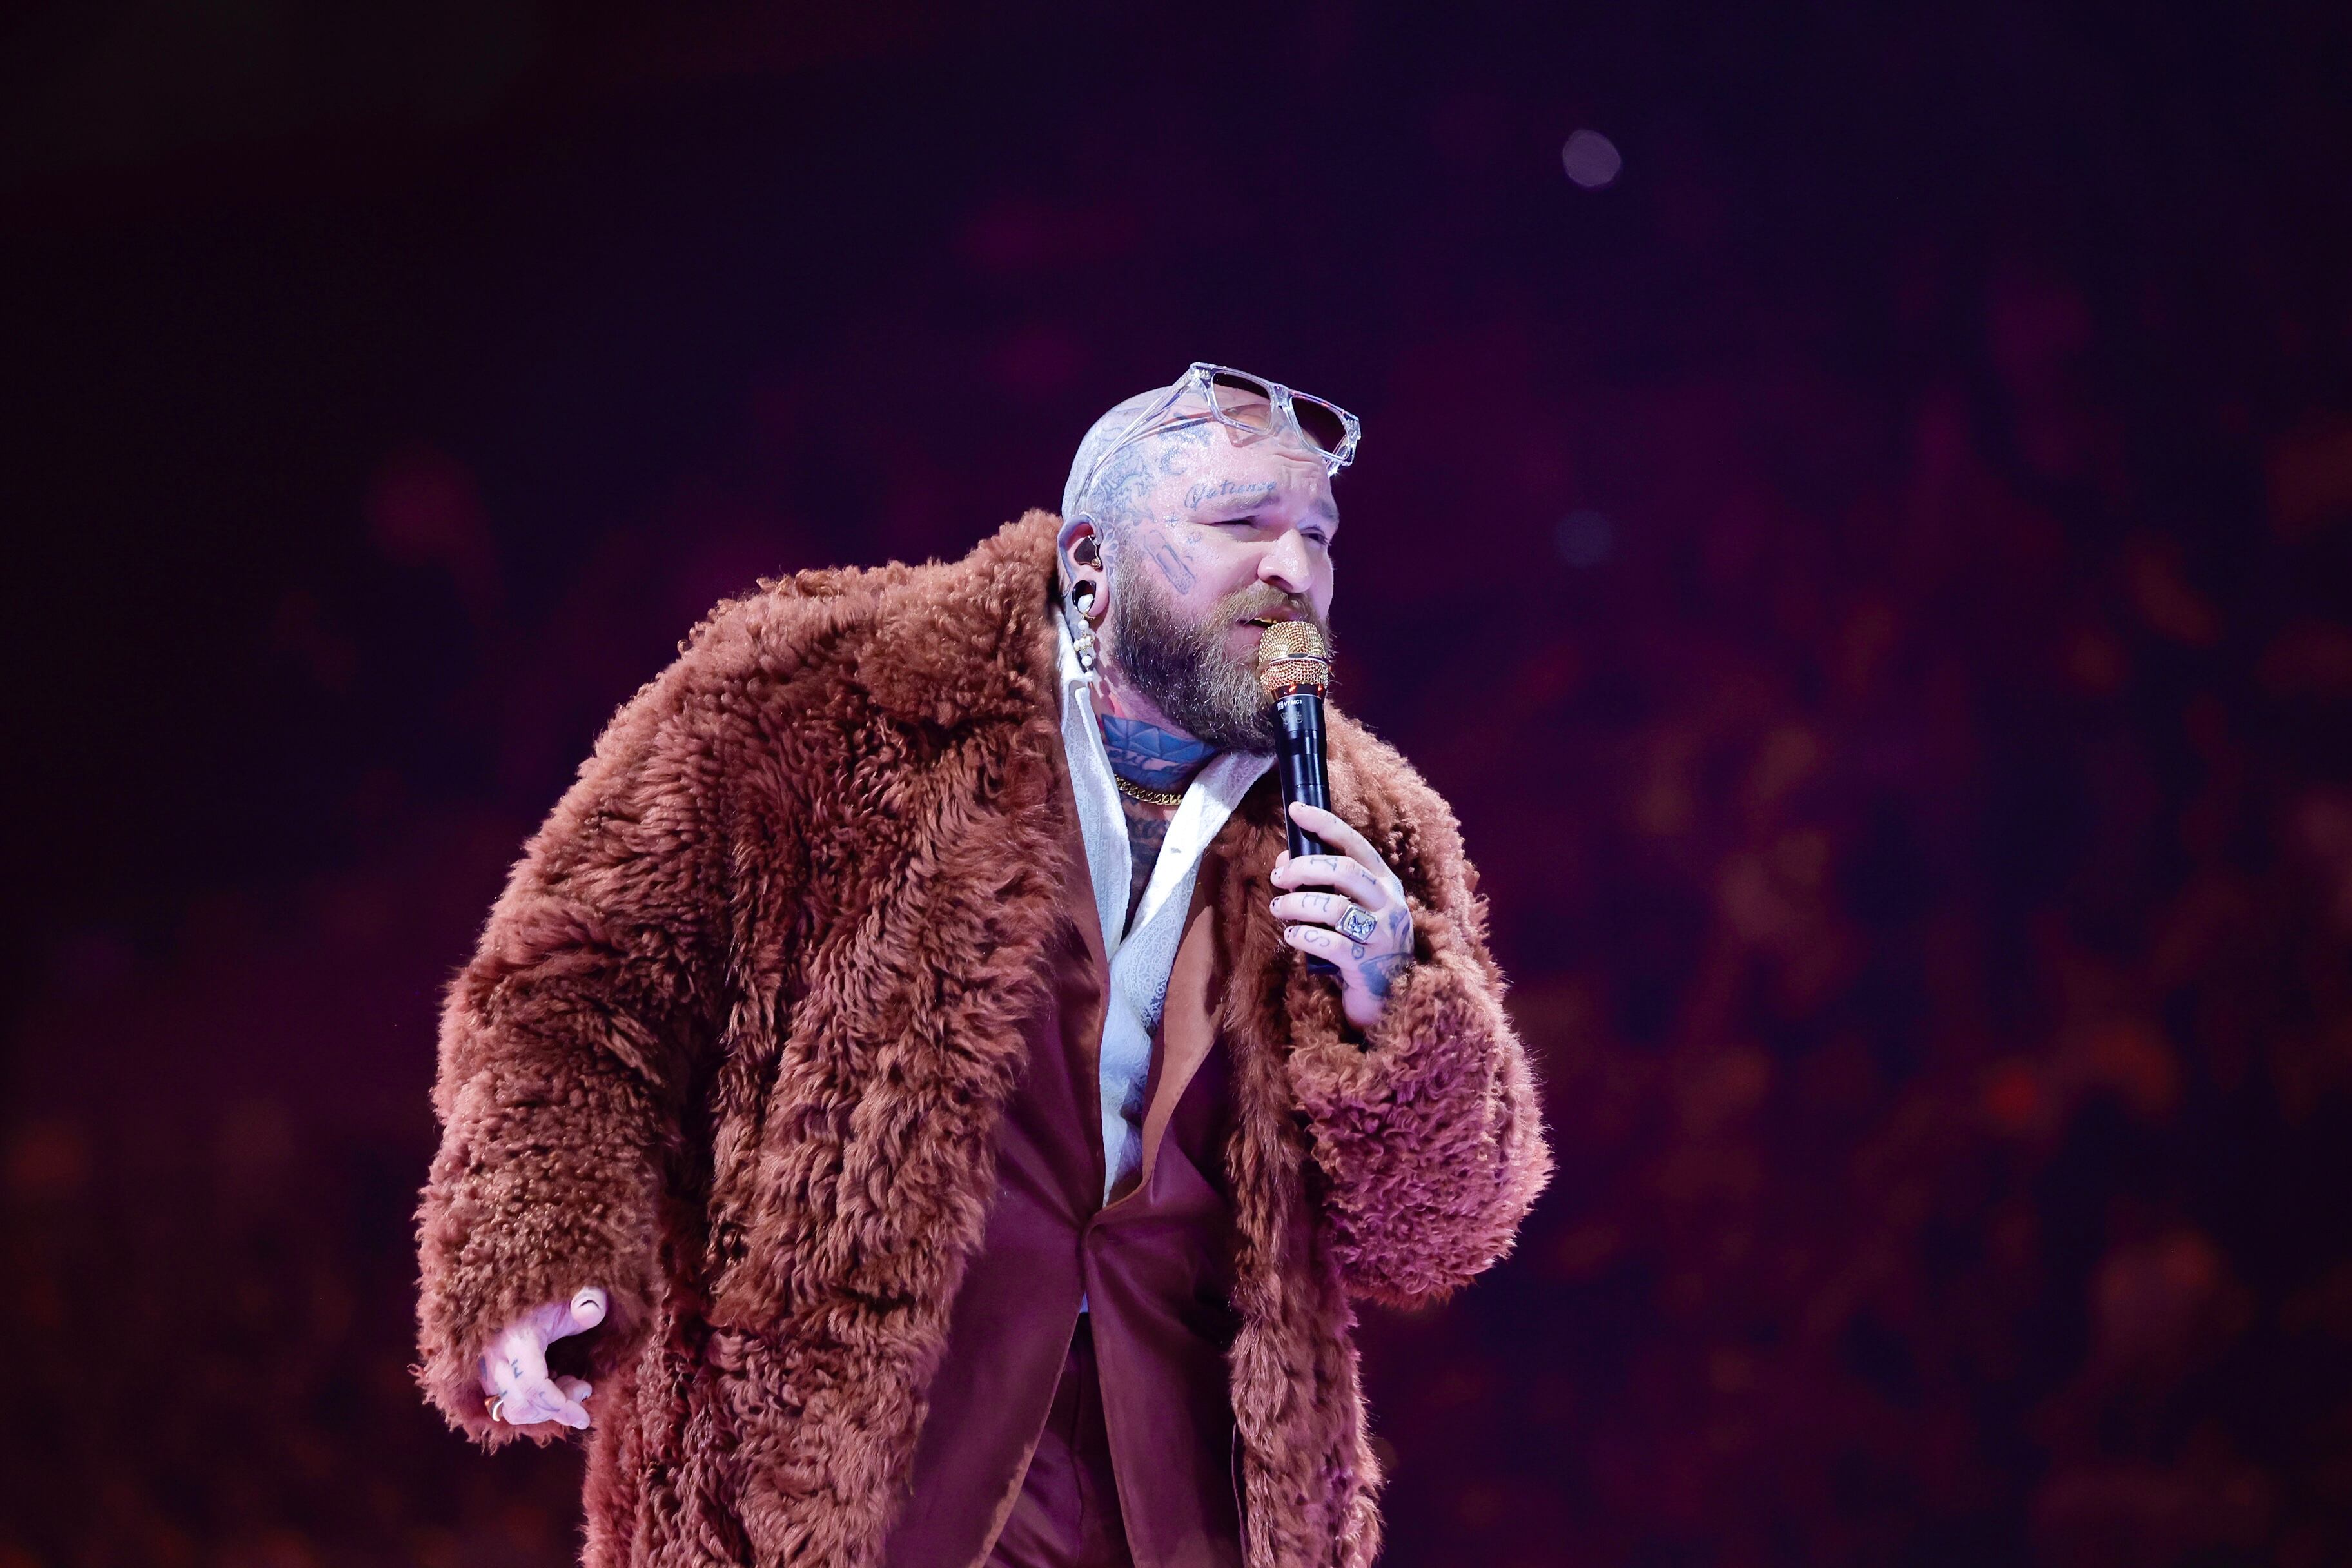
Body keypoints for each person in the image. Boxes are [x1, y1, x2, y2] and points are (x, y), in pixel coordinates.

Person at [414, 362, 1551, 1568]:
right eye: (1239, 524)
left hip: (1189, 1494)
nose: (1294, 571)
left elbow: (1436, 1238)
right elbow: (578, 992)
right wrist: (533, 1253)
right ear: (1089, 562)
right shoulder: (811, 701)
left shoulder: (1371, 828)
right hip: (849, 1470)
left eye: (1317, 534)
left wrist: (1396, 1010)